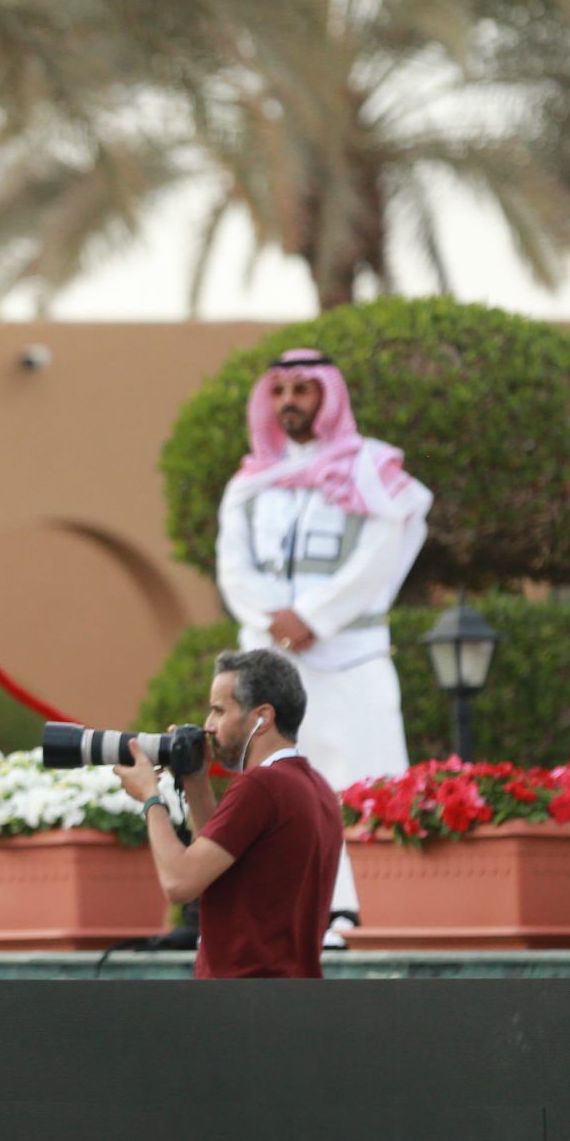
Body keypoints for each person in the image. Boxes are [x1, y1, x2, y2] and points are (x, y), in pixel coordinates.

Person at [214, 349, 430, 934]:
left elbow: (379, 553)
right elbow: (233, 566)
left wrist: (313, 617)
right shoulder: (250, 482)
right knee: (275, 789)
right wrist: (275, 619)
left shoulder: (374, 469)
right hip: (271, 668)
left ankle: (360, 917)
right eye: (280, 390)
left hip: (351, 659)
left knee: (364, 784)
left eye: (302, 389)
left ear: (328, 396)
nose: (289, 402)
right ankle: (286, 917)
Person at [112, 648, 342, 980]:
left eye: (219, 711)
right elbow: (216, 869)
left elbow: (180, 882)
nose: (208, 725)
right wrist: (196, 780)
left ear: (262, 717)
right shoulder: (315, 786)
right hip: (292, 990)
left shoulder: (261, 785)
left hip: (242, 995)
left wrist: (150, 796)